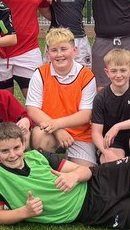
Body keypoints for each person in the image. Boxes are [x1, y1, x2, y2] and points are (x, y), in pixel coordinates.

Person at [0, 122, 130, 228]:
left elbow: (85, 171)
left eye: (16, 148)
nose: (12, 155)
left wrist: (74, 176)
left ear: (23, 144)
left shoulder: (37, 156)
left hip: (99, 180)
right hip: (91, 211)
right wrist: (25, 212)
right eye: (5, 151)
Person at [26, 27, 98, 166]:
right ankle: (45, 172)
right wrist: (57, 129)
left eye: (64, 49)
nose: (59, 54)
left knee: (85, 174)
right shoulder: (40, 74)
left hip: (80, 135)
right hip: (50, 131)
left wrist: (57, 124)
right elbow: (32, 109)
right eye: (54, 50)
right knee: (39, 135)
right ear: (47, 53)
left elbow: (86, 114)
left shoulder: (86, 76)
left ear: (74, 50)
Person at [90, 47, 130, 163]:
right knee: (114, 166)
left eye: (123, 70)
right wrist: (106, 152)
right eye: (114, 71)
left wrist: (117, 126)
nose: (118, 75)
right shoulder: (101, 97)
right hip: (114, 142)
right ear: (107, 72)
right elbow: (96, 132)